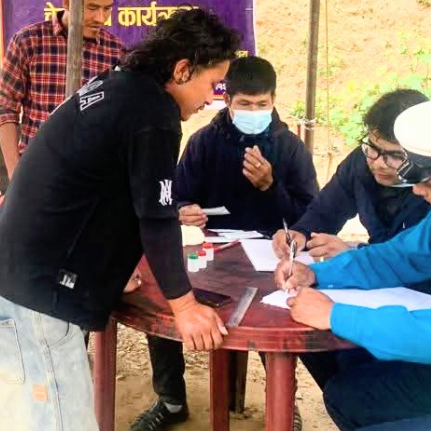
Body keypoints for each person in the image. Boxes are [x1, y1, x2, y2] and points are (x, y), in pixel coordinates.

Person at [0, 9, 240, 430]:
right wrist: (185, 307)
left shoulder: (118, 86)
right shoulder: (154, 114)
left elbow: (103, 190)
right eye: (212, 83)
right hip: (34, 302)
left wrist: (112, 264)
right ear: (183, 70)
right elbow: (156, 218)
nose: (211, 98)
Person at [133, 56, 318, 431]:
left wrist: (271, 187)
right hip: (210, 252)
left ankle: (284, 403)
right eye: (245, 104)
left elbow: (309, 217)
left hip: (268, 256)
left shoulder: (289, 148)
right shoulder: (204, 142)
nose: (254, 112)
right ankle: (171, 399)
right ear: (228, 100)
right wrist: (185, 210)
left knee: (277, 314)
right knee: (168, 301)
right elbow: (175, 196)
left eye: (262, 104)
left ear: (274, 100)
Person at [277, 96, 431, 431]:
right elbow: (398, 257)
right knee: (349, 380)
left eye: (428, 183)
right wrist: (315, 273)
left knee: (354, 394)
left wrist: (336, 315)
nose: (417, 191)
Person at [0, 0, 125, 174]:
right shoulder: (29, 42)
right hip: (36, 169)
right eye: (92, 8)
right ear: (67, 2)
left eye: (107, 8)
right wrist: (15, 173)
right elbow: (5, 106)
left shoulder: (115, 52)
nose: (101, 18)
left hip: (91, 175)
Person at [272, 90, 431, 264]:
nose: (379, 163)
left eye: (395, 156)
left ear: (421, 154)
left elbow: (423, 259)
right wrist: (302, 232)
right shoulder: (360, 162)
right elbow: (327, 210)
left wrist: (355, 256)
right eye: (373, 147)